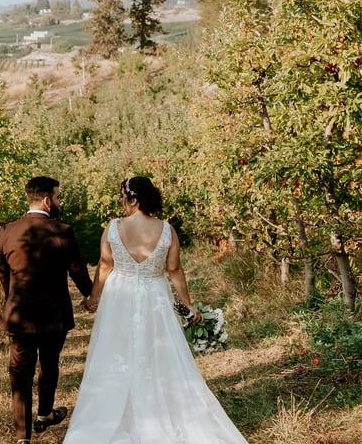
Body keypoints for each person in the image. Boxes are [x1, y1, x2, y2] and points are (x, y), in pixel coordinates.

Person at [62, 176, 250, 444]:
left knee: (117, 351)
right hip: (154, 297)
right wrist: (188, 304)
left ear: (133, 198)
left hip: (119, 297)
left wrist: (93, 298)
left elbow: (105, 266)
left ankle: (116, 415)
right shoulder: (166, 230)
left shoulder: (113, 228)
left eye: (123, 197)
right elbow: (174, 270)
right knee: (157, 351)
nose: (121, 202)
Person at [0, 176, 94, 444]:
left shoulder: (7, 231)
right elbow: (77, 269)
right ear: (48, 200)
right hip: (54, 314)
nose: (60, 201)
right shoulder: (62, 231)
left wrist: (13, 299)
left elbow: (3, 272)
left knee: (20, 373)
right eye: (59, 197)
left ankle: (22, 436)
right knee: (49, 364)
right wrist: (90, 294)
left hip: (19, 314)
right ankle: (44, 414)